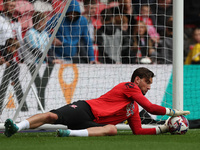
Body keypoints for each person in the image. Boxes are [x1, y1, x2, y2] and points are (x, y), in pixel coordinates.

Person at [4, 67, 190, 137]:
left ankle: (69, 133)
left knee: (112, 129)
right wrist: (172, 112)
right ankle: (17, 127)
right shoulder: (128, 86)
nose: (149, 87)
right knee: (52, 116)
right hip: (86, 109)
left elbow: (138, 131)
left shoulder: (133, 108)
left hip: (90, 124)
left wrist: (163, 129)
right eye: (147, 82)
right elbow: (150, 107)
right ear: (137, 80)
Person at [0, 38, 28, 112]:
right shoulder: (2, 50)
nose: (16, 51)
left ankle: (14, 80)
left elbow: (13, 65)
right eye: (15, 48)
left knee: (15, 65)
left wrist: (14, 78)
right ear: (9, 47)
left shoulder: (10, 55)